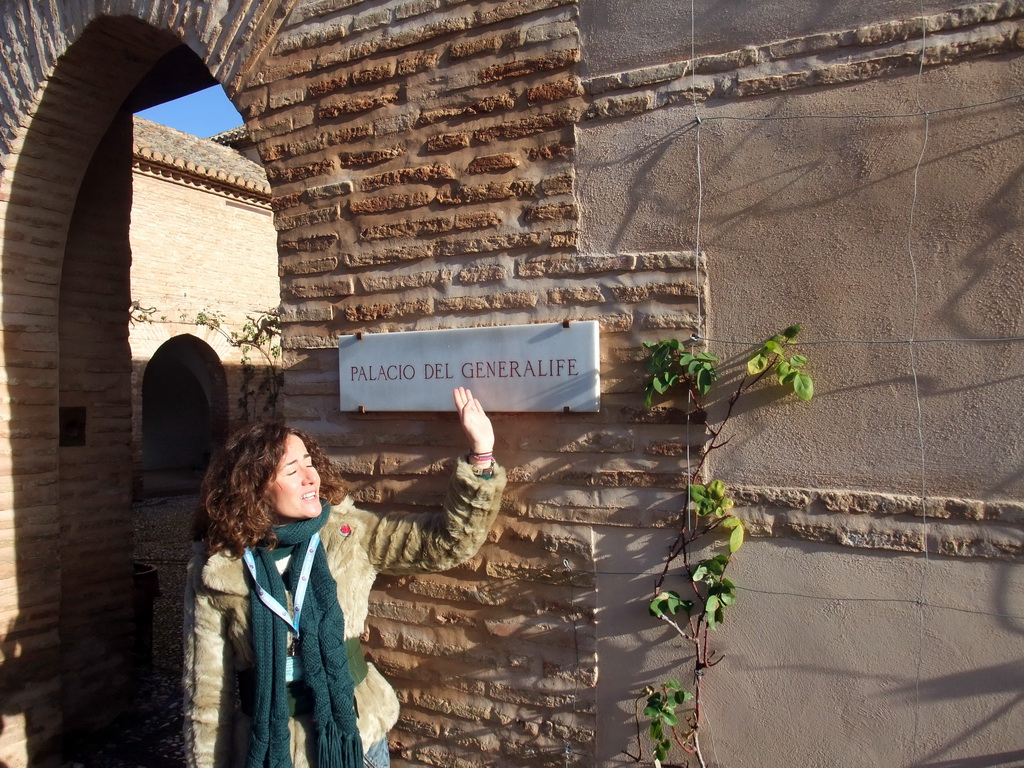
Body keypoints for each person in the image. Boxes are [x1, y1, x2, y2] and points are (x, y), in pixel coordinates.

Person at [183, 387, 506, 768]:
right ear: (253, 488)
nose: (310, 477)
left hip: (356, 738)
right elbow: (206, 691)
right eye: (291, 470)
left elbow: (446, 543)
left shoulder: (346, 534)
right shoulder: (220, 568)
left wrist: (481, 454)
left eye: (309, 462)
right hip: (272, 749)